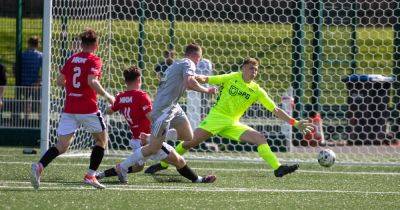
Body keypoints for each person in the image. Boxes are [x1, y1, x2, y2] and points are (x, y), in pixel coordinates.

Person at [146, 58, 314, 177]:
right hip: (216, 118)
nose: (253, 72)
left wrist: (295, 122)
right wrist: (194, 77)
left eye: (256, 69)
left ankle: (278, 168)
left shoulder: (257, 90)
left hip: (233, 123)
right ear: (243, 68)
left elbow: (275, 109)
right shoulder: (232, 77)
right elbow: (208, 78)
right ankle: (162, 164)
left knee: (260, 138)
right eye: (250, 68)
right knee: (189, 143)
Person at [96, 65, 215, 184]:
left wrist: (111, 102)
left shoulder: (120, 97)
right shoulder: (141, 96)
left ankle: (101, 175)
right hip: (148, 139)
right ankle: (199, 180)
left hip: (135, 139)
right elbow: (152, 118)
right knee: (179, 161)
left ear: (125, 81)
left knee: (138, 167)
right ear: (139, 80)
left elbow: (109, 111)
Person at [30, 28, 115, 189]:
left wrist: (74, 88)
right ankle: (90, 175)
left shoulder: (72, 59)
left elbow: (60, 81)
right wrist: (108, 96)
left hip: (70, 108)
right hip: (88, 108)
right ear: (96, 44)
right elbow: (92, 81)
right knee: (101, 140)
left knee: (62, 145)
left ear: (82, 44)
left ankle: (39, 166)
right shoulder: (94, 59)